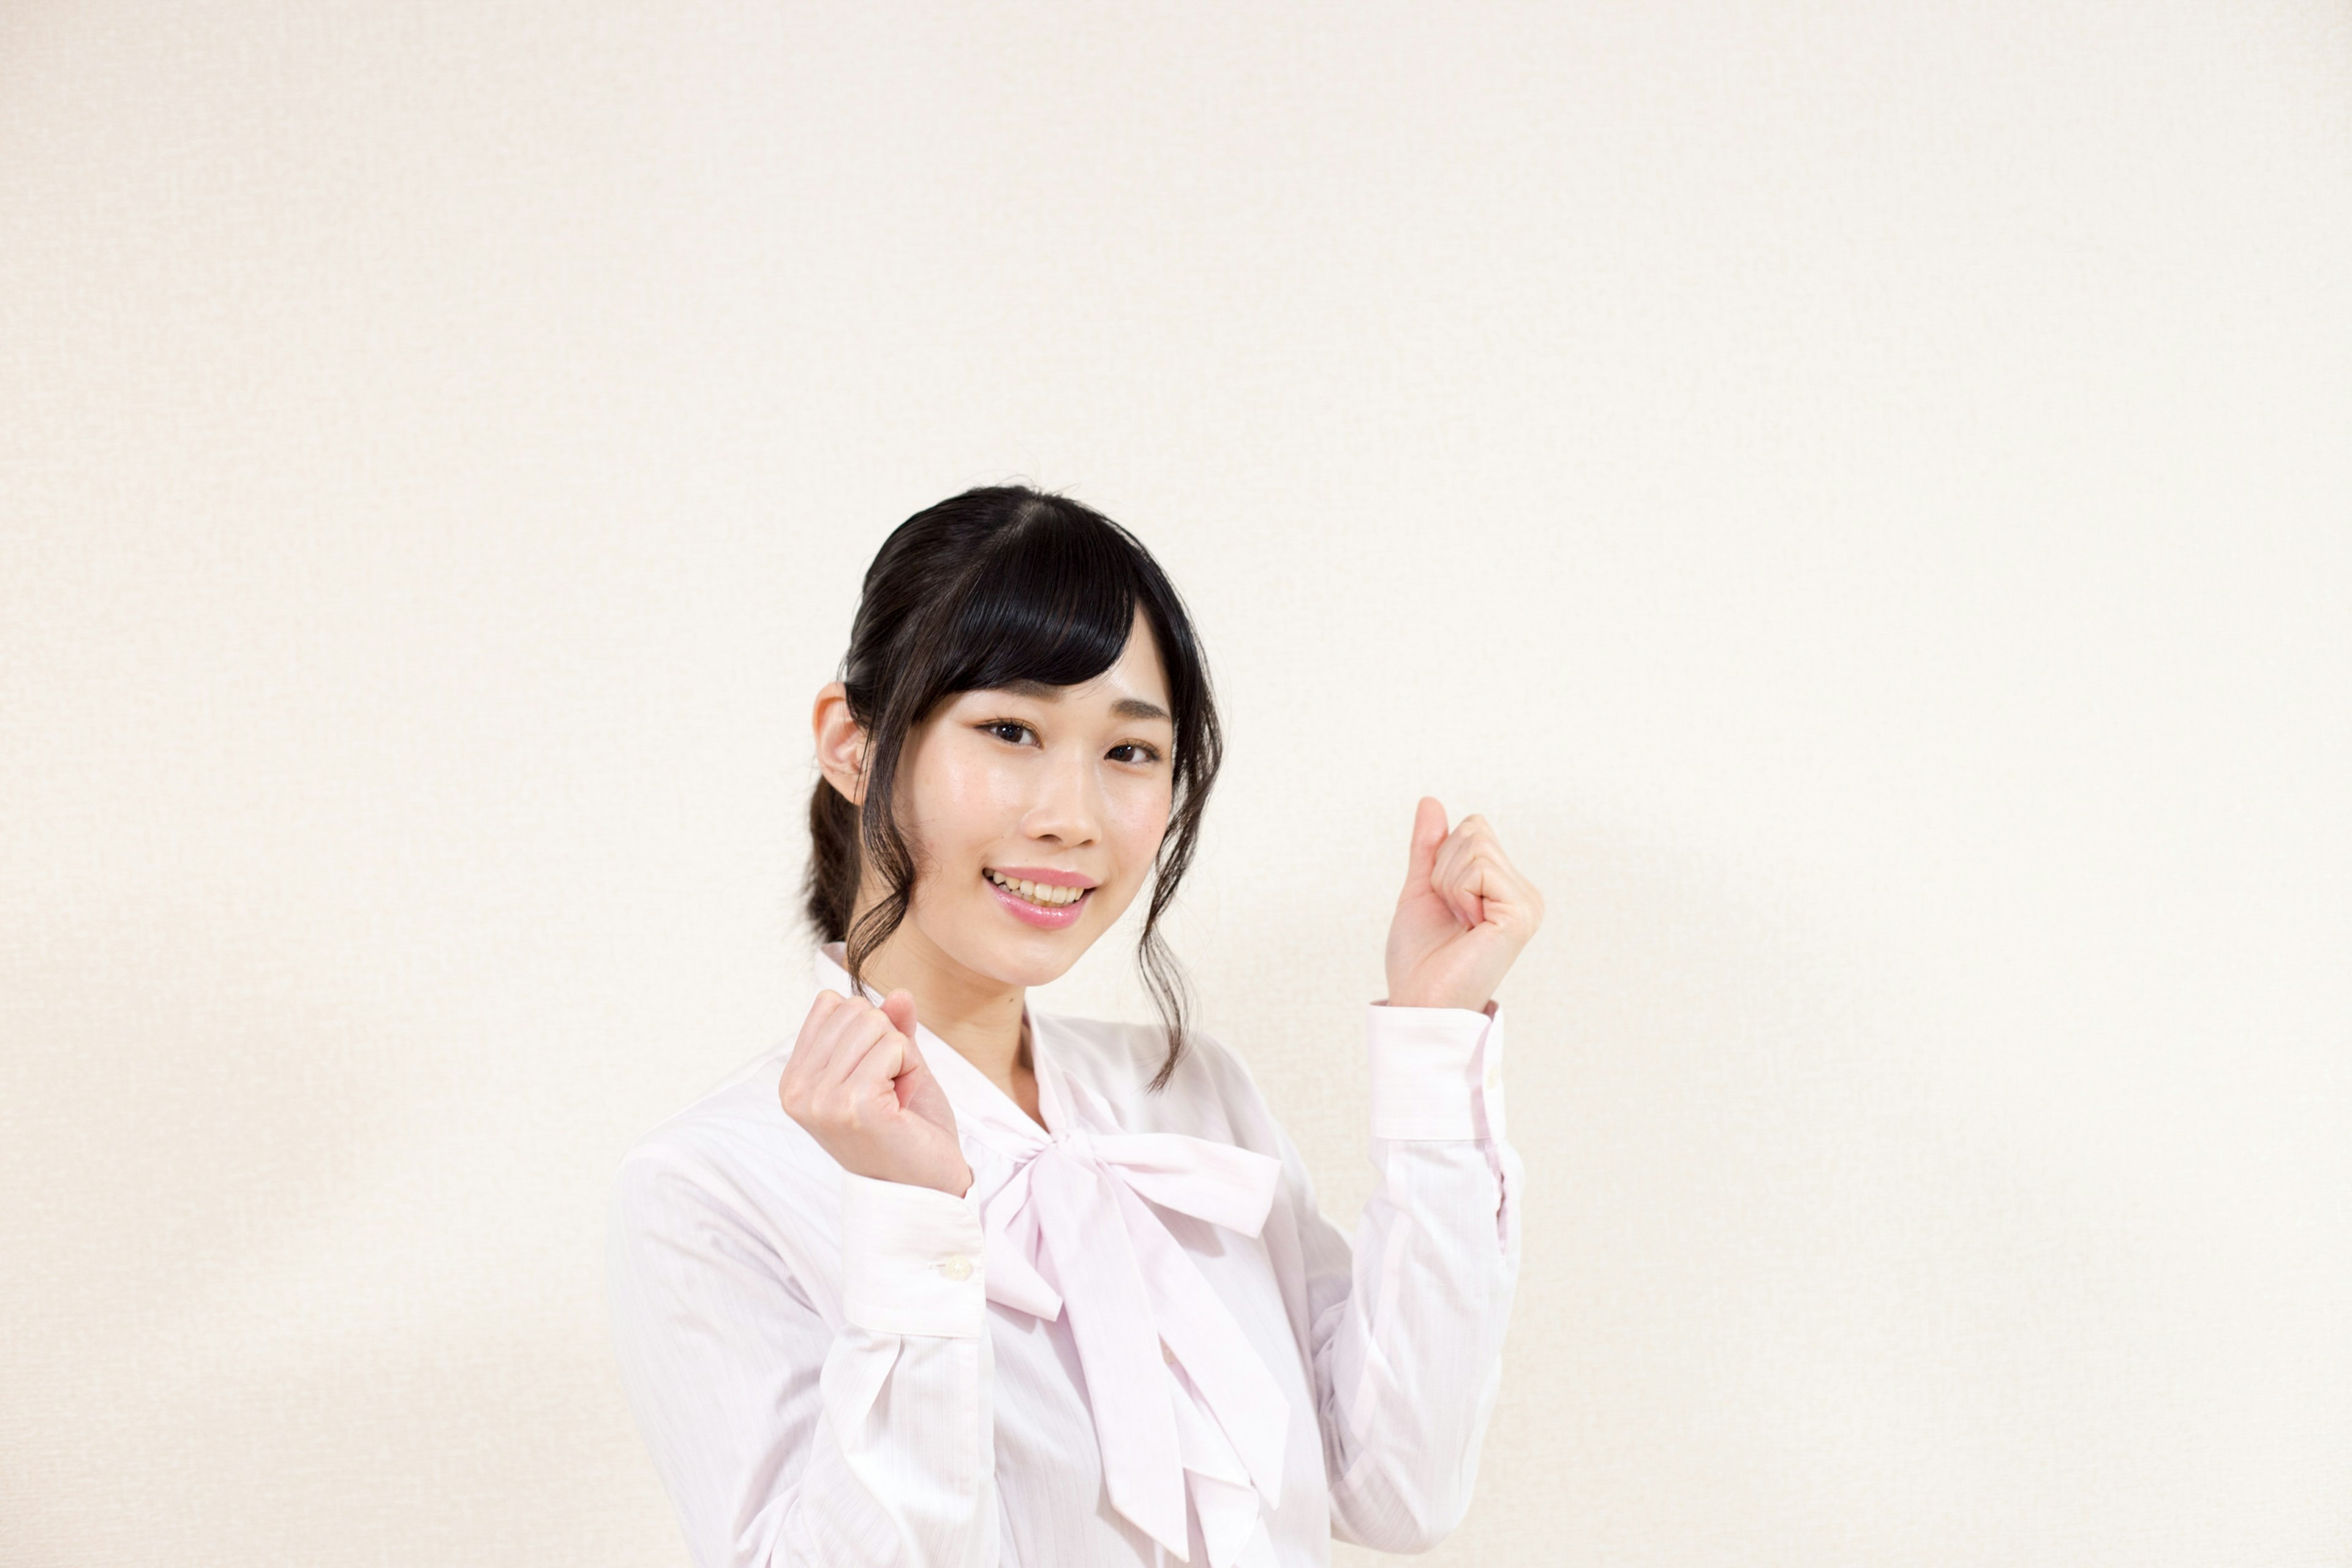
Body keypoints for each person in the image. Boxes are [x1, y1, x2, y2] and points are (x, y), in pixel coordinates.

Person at [605, 486, 1541, 1568]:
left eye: (1131, 754)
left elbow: (1401, 1491)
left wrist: (1434, 1046)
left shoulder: (1189, 1098)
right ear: (853, 747)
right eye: (1010, 730)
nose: (1073, 818)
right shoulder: (713, 1183)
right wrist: (915, 1226)